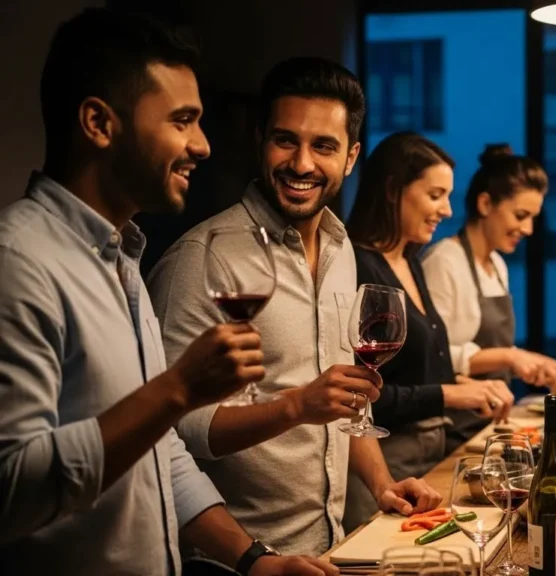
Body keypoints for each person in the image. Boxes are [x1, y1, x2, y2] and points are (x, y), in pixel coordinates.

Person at [0, 9, 337, 576]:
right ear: (99, 124)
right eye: (182, 120)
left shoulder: (122, 260)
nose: (203, 146)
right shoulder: (19, 262)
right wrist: (179, 391)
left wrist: (255, 561)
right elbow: (11, 490)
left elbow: (161, 454)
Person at [148, 58, 441, 557]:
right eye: (286, 140)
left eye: (323, 146)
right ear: (260, 140)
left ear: (350, 158)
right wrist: (296, 406)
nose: (302, 164)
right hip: (243, 559)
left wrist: (382, 484)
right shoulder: (201, 259)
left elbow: (344, 395)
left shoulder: (340, 246)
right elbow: (178, 430)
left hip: (331, 547)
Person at [341, 132, 515, 530]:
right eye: (435, 195)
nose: (447, 210)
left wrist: (469, 386)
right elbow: (363, 397)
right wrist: (451, 394)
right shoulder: (358, 266)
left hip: (428, 459)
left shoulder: (411, 260)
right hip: (386, 464)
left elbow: (417, 371)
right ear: (392, 189)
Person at [422, 143, 556, 451]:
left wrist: (540, 364)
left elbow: (493, 349)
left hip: (491, 424)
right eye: (521, 215)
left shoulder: (496, 264)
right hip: (453, 432)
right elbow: (434, 359)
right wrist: (511, 357)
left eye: (533, 217)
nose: (529, 229)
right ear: (485, 204)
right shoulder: (444, 261)